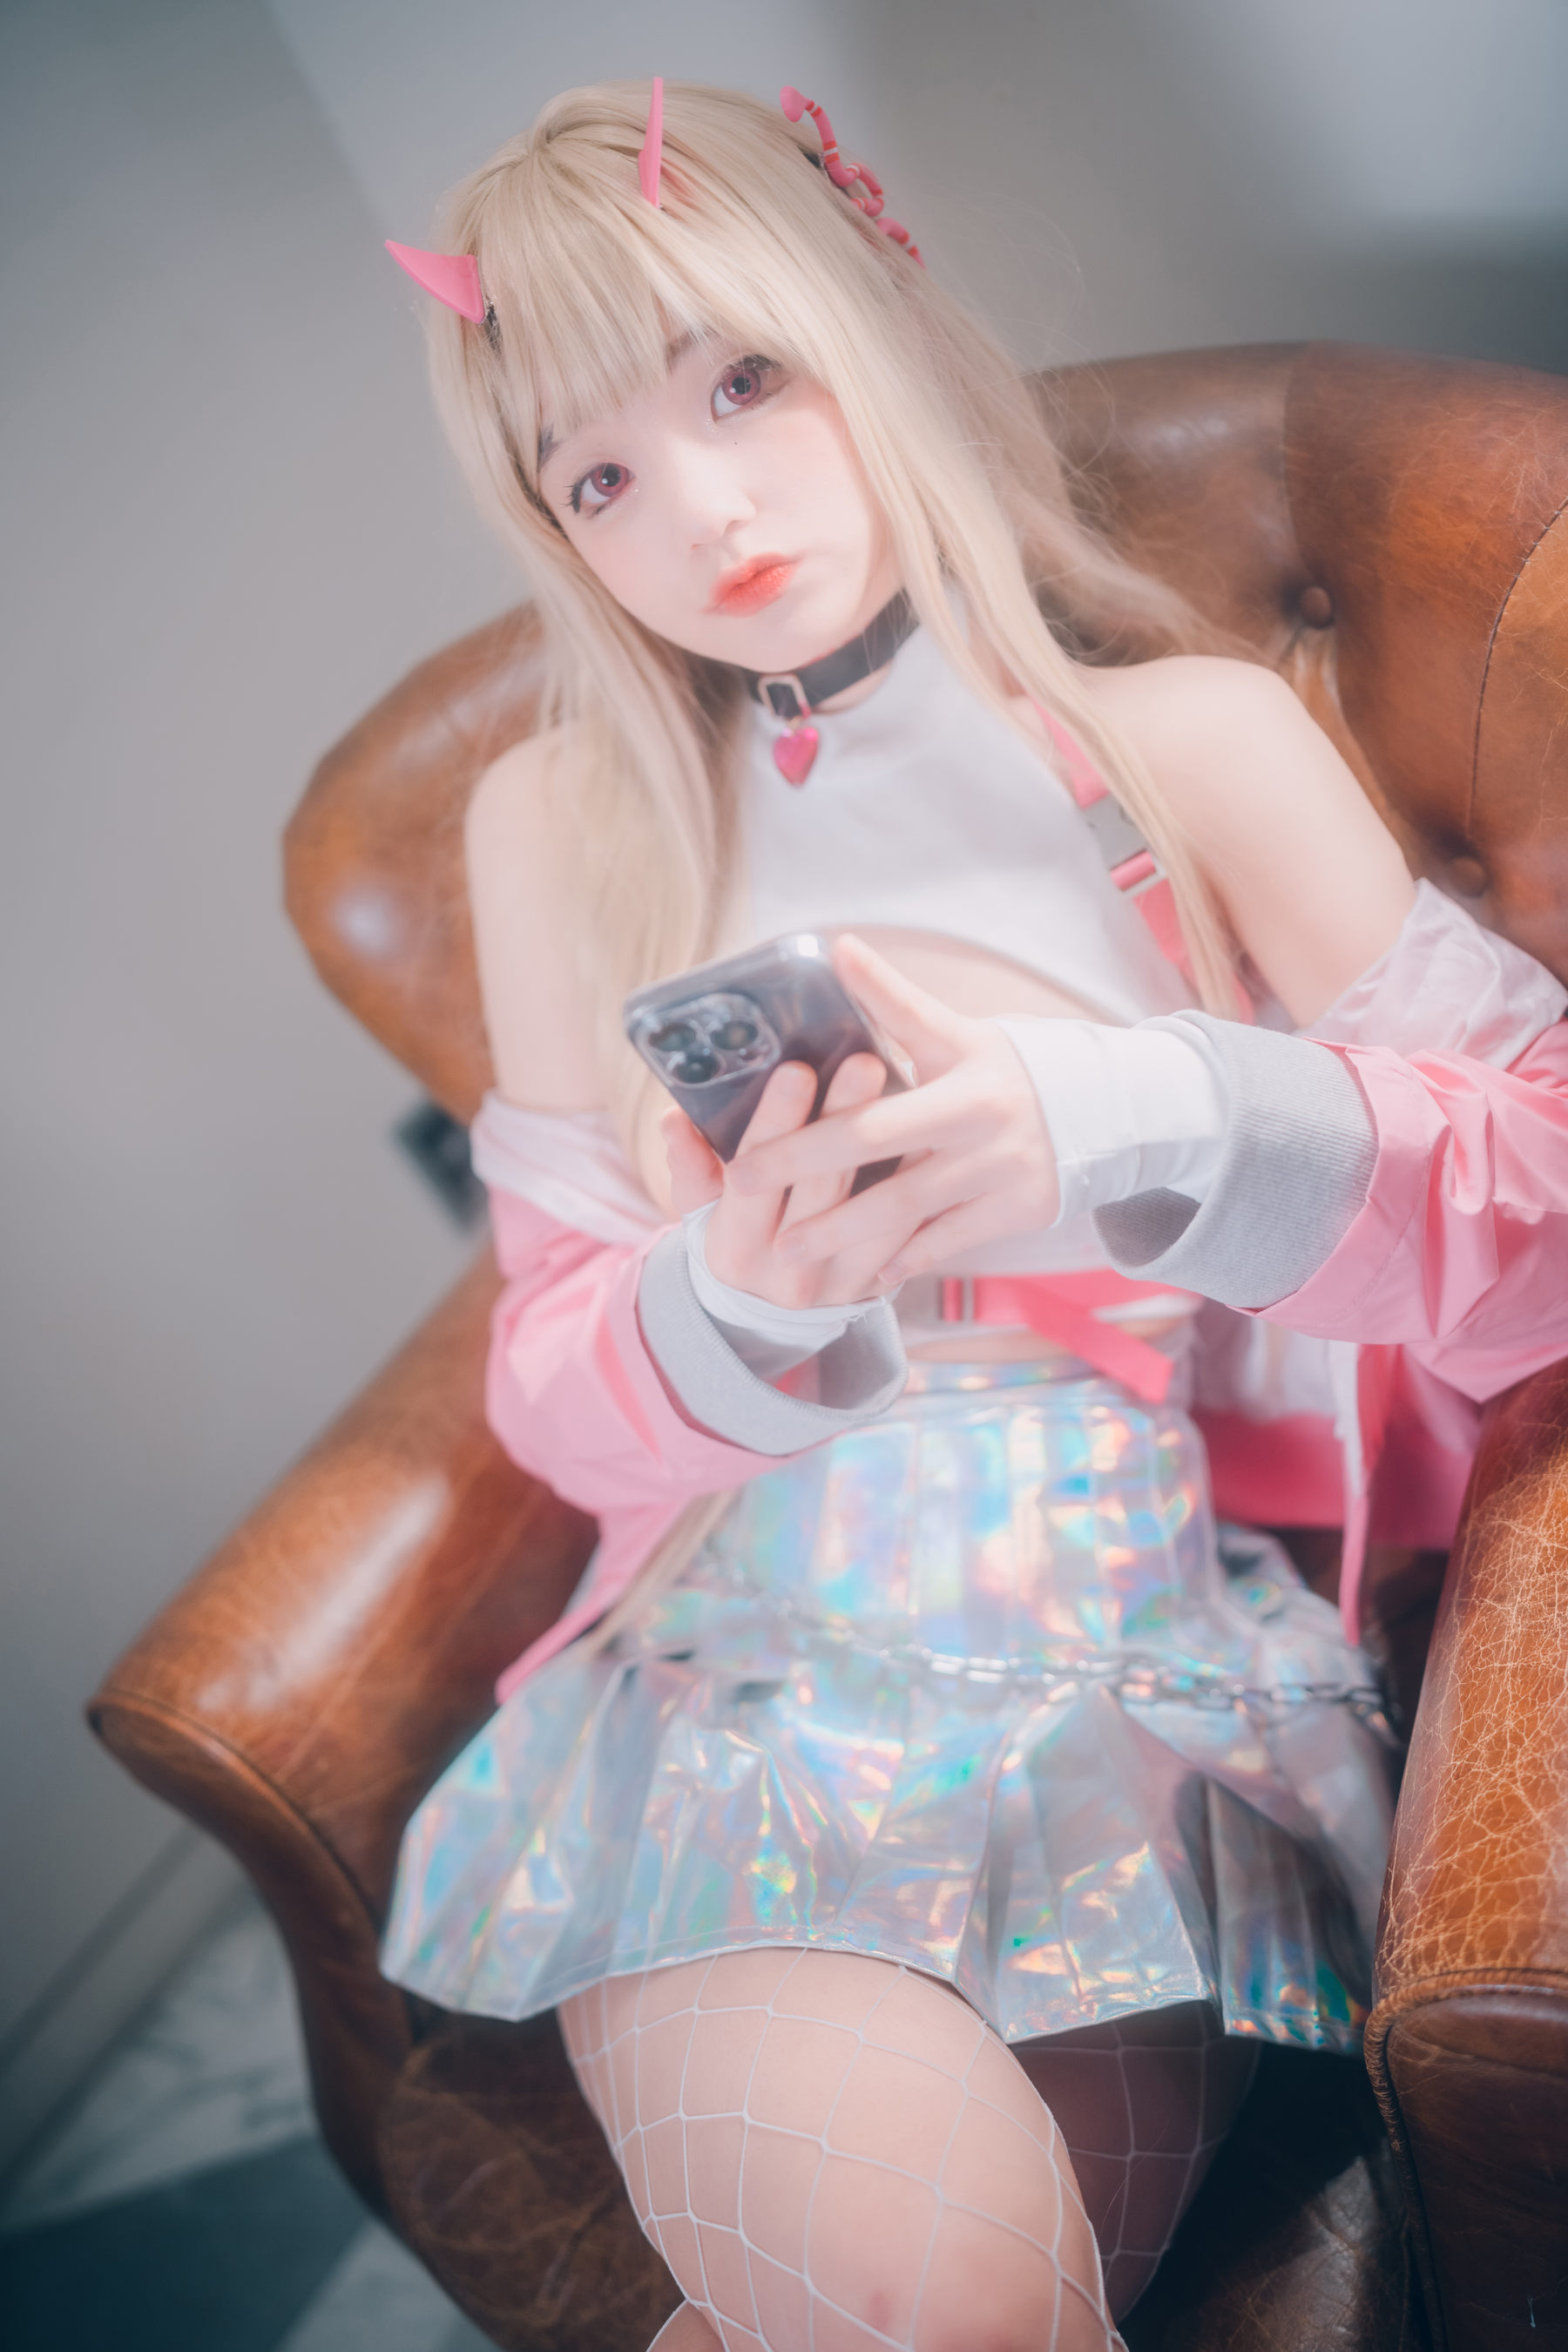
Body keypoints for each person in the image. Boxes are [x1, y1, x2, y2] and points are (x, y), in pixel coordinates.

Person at [375, 78, 1568, 2352]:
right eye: (595, 475)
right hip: (752, 1637)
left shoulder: (1187, 741)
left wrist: (1125, 1117)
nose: (702, 510)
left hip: (1138, 1646)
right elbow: (553, 1376)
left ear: (871, 320)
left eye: (744, 378)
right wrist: (734, 1294)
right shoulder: (562, 824)